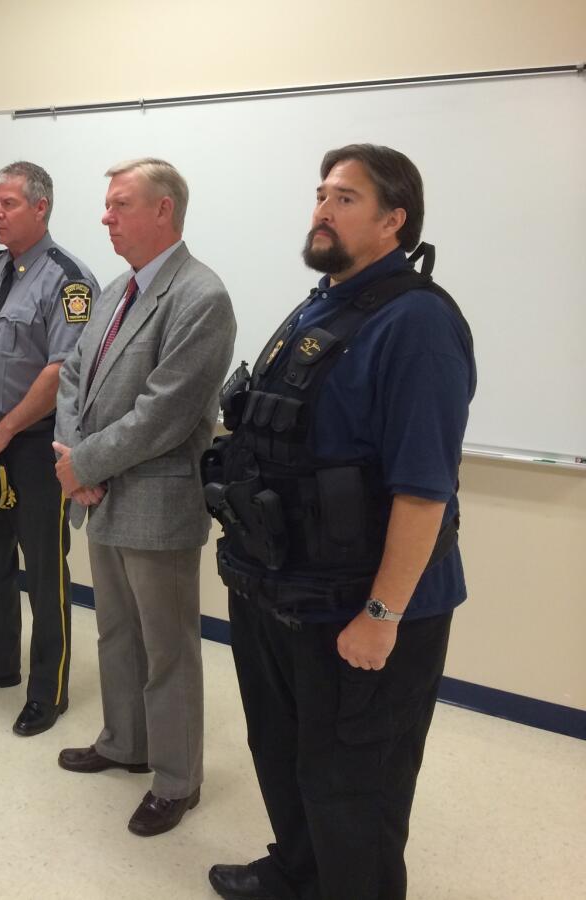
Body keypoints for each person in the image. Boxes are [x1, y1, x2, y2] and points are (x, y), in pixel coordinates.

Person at [203, 144, 475, 899]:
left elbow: (424, 493)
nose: (323, 209)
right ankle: (298, 871)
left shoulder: (417, 324)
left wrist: (382, 614)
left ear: (394, 221)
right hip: (281, 588)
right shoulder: (322, 303)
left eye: (346, 198)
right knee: (286, 752)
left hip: (361, 609)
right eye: (321, 194)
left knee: (356, 785)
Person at [52, 158, 236, 836]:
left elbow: (166, 413)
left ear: (164, 210)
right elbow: (74, 377)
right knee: (116, 631)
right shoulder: (113, 291)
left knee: (169, 648)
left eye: (119, 204)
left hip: (156, 503)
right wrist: (77, 463)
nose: (105, 217)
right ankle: (124, 743)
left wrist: (84, 464)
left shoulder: (200, 297)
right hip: (98, 495)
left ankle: (177, 779)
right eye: (106, 205)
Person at [0, 161, 99, 737]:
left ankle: (46, 690)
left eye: (9, 204)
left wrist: (4, 430)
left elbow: (62, 370)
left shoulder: (68, 279)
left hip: (35, 448)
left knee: (44, 572)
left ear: (41, 208)